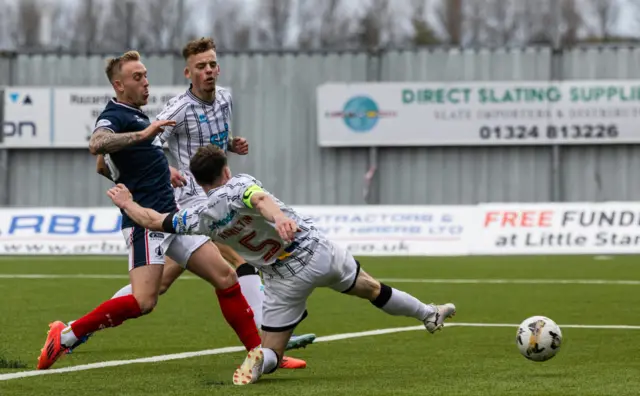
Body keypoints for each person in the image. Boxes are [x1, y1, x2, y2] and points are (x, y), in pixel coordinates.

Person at [105, 144, 458, 386]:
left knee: (272, 349)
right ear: (226, 169)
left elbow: (153, 220)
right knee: (371, 288)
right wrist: (279, 218)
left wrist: (126, 202)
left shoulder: (195, 216)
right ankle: (428, 314)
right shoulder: (239, 183)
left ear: (198, 181)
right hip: (312, 252)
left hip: (281, 278)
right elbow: (258, 199)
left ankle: (261, 363)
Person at [79, 38, 314, 369]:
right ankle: (266, 339)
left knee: (157, 286)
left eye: (212, 64)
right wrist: (168, 167)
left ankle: (81, 329)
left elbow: (211, 138)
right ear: (188, 73)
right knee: (237, 254)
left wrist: (231, 143)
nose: (208, 71)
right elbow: (146, 142)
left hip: (219, 193)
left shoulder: (225, 100)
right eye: (201, 66)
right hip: (189, 200)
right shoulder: (176, 107)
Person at [36, 51, 262, 370]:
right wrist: (142, 138)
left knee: (226, 276)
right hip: (144, 224)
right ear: (119, 85)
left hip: (170, 217)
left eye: (145, 75)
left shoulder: (140, 115)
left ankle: (261, 355)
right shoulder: (116, 115)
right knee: (145, 302)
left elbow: (109, 165)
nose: (146, 82)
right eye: (137, 77)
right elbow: (97, 145)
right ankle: (67, 335)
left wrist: (160, 171)